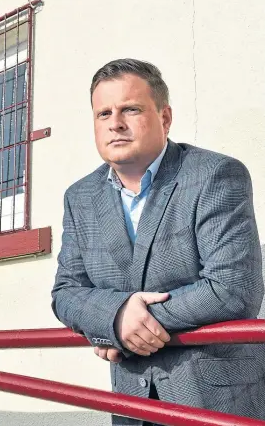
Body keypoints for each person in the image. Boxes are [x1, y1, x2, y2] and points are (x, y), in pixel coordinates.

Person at [51, 58, 265, 425]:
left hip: (215, 399)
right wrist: (115, 316)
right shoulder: (80, 197)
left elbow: (233, 289)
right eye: (103, 114)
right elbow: (66, 291)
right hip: (131, 399)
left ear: (165, 118)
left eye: (130, 109)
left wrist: (128, 322)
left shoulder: (215, 175)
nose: (115, 123)